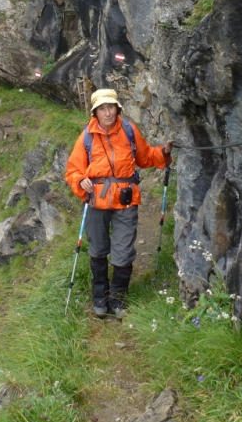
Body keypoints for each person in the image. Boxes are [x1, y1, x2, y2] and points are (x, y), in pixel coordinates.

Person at [65, 88, 173, 319]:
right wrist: (80, 180)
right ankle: (100, 298)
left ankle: (118, 298)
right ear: (95, 112)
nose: (107, 112)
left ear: (117, 108)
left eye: (111, 107)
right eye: (102, 108)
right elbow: (73, 171)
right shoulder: (86, 137)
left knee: (123, 251)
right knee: (98, 249)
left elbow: (144, 158)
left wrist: (163, 153)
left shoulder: (128, 130)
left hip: (125, 200)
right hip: (95, 199)